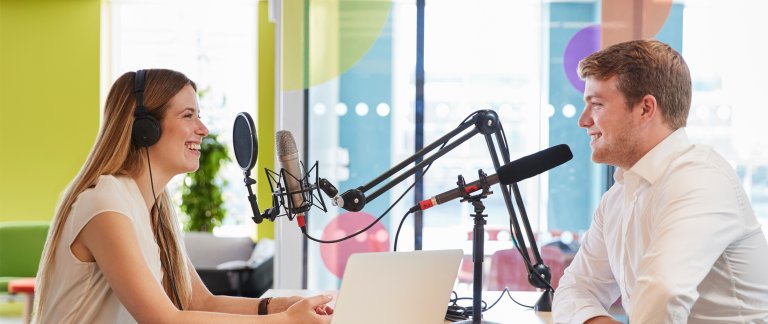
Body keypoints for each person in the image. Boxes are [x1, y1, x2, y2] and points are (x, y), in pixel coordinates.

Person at [33, 69, 333, 323]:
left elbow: (200, 303)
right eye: (188, 115)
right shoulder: (105, 205)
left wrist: (275, 308)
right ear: (144, 129)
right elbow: (164, 319)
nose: (202, 129)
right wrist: (286, 321)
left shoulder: (156, 208)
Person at [552, 39, 768, 323]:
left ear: (645, 109)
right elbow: (576, 289)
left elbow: (663, 290)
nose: (583, 120)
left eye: (596, 104)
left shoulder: (701, 179)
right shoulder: (617, 198)